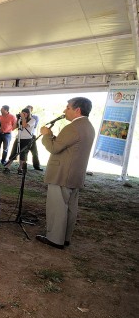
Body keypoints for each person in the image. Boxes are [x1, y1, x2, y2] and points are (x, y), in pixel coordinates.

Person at [36, 97, 95, 249]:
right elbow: (69, 147)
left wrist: (46, 135)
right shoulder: (88, 126)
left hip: (62, 174)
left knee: (58, 207)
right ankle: (65, 238)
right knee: (70, 208)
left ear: (77, 110)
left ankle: (55, 239)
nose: (64, 110)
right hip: (75, 174)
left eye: (67, 107)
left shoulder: (73, 127)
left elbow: (54, 148)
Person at [3, 108, 36, 174]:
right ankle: (8, 167)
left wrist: (23, 117)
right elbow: (13, 128)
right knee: (13, 152)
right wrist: (18, 119)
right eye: (22, 113)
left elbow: (24, 125)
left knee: (23, 154)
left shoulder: (32, 120)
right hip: (18, 138)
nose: (23, 114)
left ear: (28, 113)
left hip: (27, 139)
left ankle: (20, 168)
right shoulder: (20, 119)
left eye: (24, 113)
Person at [25, 105, 43, 171]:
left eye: (29, 109)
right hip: (25, 137)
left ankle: (36, 166)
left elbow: (33, 126)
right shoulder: (23, 118)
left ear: (31, 110)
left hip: (32, 136)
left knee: (35, 152)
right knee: (25, 152)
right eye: (26, 109)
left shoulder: (35, 117)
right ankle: (24, 166)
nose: (27, 110)